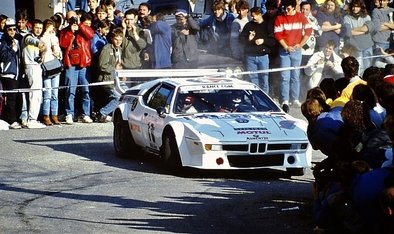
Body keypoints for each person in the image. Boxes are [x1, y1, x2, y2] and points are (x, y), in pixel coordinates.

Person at [274, 0, 312, 112]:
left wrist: (300, 44)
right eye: (284, 8)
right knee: (284, 76)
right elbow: (278, 34)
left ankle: (295, 98)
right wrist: (286, 47)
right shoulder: (280, 18)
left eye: (288, 8)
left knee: (295, 75)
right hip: (284, 51)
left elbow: (309, 31)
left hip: (296, 50)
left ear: (294, 7)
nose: (286, 10)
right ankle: (284, 99)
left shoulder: (300, 17)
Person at [59, 11, 94, 124]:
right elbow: (63, 44)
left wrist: (80, 25)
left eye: (74, 18)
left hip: (83, 64)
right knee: (70, 91)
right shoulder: (65, 31)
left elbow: (90, 35)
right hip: (71, 64)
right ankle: (69, 113)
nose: (72, 20)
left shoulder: (84, 28)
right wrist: (70, 31)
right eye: (70, 19)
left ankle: (86, 114)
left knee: (86, 91)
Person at [240, 6, 276, 94]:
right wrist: (249, 39)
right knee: (253, 80)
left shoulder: (267, 25)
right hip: (250, 57)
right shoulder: (249, 25)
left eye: (254, 16)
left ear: (260, 15)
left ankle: (265, 99)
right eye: (252, 16)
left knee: (264, 79)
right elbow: (240, 39)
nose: (253, 18)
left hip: (263, 56)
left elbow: (273, 41)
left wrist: (264, 41)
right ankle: (254, 100)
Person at [22, 19, 46, 129]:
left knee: (37, 93)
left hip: (36, 66)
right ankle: (32, 120)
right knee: (35, 93)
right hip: (30, 66)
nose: (38, 30)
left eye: (40, 28)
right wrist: (39, 43)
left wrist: (42, 55)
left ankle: (33, 118)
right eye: (36, 27)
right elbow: (29, 40)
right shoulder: (28, 36)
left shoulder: (38, 38)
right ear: (32, 27)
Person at [96, 27, 124, 122]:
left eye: (120, 39)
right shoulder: (107, 49)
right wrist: (114, 69)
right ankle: (102, 113)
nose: (118, 41)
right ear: (112, 38)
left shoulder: (119, 49)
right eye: (116, 39)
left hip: (117, 79)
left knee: (127, 94)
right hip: (107, 79)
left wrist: (122, 73)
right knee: (119, 97)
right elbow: (102, 65)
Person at [0, 18, 22, 129]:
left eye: (14, 29)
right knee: (11, 98)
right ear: (6, 30)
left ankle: (17, 118)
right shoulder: (3, 41)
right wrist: (12, 50)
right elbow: (3, 57)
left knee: (17, 97)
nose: (12, 31)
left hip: (16, 73)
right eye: (10, 29)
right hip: (7, 73)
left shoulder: (16, 40)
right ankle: (11, 120)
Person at [343, 0, 375, 75]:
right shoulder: (347, 18)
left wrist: (354, 29)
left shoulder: (366, 17)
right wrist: (363, 31)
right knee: (358, 68)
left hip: (367, 45)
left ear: (361, 7)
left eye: (357, 6)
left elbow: (368, 28)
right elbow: (348, 32)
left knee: (368, 67)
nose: (355, 8)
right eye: (353, 6)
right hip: (355, 46)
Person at [41, 19, 63, 126]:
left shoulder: (55, 37)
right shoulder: (42, 37)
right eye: (48, 25)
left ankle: (54, 114)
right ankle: (46, 115)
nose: (50, 27)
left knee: (55, 93)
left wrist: (53, 38)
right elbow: (44, 46)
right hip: (46, 65)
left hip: (55, 65)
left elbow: (57, 52)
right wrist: (47, 34)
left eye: (51, 25)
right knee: (48, 93)